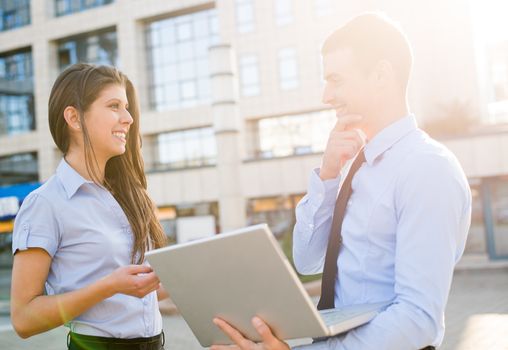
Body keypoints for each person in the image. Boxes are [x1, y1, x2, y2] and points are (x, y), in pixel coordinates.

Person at [211, 12, 471, 350]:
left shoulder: (427, 169)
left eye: (336, 80)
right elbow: (307, 261)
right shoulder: (351, 165)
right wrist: (328, 175)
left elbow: (417, 319)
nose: (326, 95)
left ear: (381, 74)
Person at [10, 63, 169, 350]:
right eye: (114, 106)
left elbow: (135, 297)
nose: (129, 118)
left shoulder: (132, 198)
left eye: (127, 107)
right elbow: (23, 319)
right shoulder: (45, 204)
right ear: (73, 117)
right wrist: (109, 285)